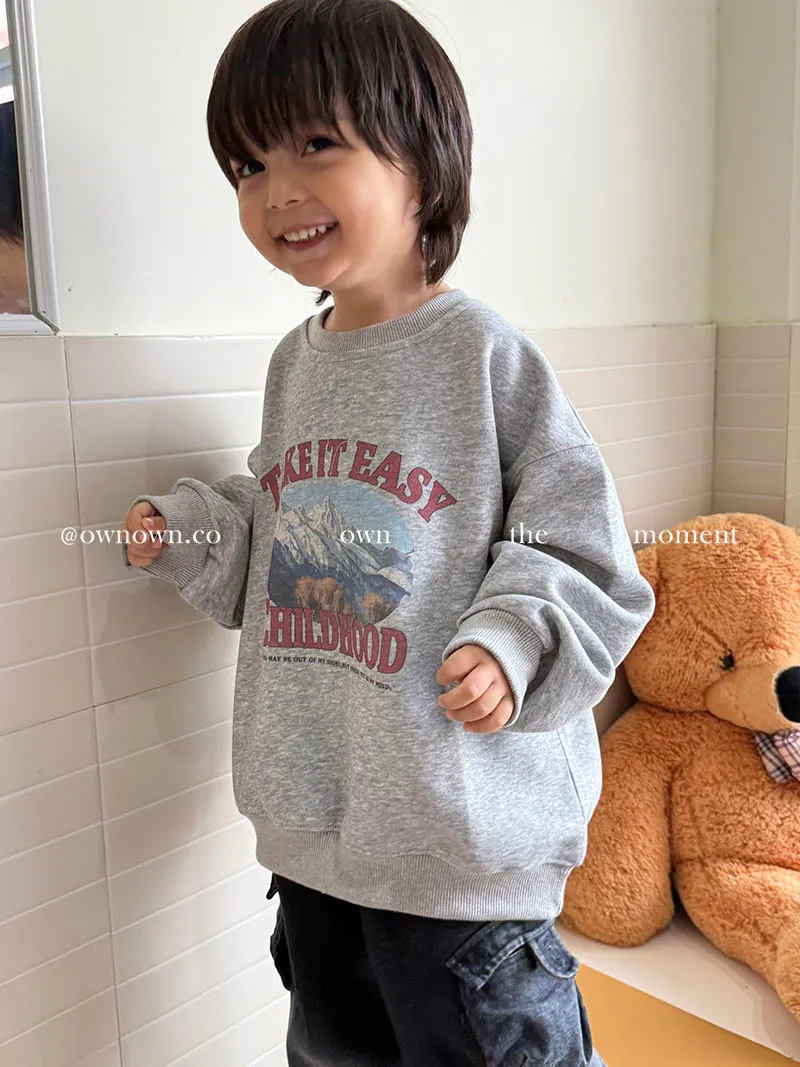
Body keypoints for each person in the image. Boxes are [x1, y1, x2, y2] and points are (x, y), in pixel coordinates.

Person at [120, 1, 655, 1063]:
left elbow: (579, 545)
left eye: (316, 144)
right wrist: (193, 532)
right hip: (320, 843)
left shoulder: (482, 354)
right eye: (247, 165)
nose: (277, 190)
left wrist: (509, 640)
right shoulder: (296, 361)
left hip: (457, 860)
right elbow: (289, 528)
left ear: (422, 163)